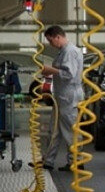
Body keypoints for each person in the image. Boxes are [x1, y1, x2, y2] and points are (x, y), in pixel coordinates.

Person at [34, 26, 84, 171]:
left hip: (69, 96)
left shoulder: (70, 51)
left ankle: (76, 161)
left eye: (50, 41)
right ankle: (48, 160)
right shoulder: (63, 51)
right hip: (61, 95)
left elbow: (69, 74)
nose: (50, 44)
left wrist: (49, 70)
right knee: (54, 129)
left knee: (70, 130)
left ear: (57, 37)